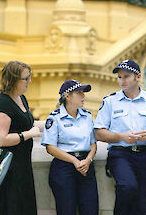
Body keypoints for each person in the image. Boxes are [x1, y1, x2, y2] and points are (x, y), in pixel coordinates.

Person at [94, 60, 146, 215]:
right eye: (120, 77)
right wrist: (121, 136)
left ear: (138, 77)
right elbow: (99, 132)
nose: (122, 81)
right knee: (127, 186)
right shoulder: (110, 101)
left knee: (141, 205)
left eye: (126, 76)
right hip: (120, 154)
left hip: (145, 156)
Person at [0, 61, 43, 215]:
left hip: (21, 167)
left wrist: (49, 124)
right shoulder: (2, 104)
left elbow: (25, 123)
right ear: (13, 80)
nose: (29, 81)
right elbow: (1, 139)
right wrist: (29, 134)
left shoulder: (21, 98)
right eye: (26, 78)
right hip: (7, 171)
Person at [41, 79, 98, 215]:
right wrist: (74, 161)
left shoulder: (87, 116)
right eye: (79, 93)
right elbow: (50, 147)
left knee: (91, 210)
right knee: (66, 210)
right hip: (64, 167)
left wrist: (88, 160)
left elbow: (93, 144)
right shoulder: (55, 118)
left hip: (86, 166)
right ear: (68, 96)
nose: (83, 96)